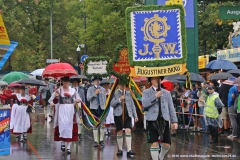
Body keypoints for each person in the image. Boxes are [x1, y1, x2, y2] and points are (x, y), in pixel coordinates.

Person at [142, 77, 178, 160]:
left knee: (167, 144)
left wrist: (174, 121)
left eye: (158, 79)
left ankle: (161, 157)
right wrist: (155, 96)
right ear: (151, 81)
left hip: (164, 120)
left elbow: (171, 107)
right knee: (154, 143)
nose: (156, 80)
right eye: (154, 79)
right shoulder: (146, 92)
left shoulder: (167, 93)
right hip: (152, 120)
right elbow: (145, 103)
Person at [49, 76, 81, 154]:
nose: (66, 83)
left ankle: (69, 147)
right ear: (62, 82)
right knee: (62, 126)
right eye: (64, 81)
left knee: (69, 127)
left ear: (69, 82)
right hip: (62, 110)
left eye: (67, 81)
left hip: (70, 110)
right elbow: (54, 102)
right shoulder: (58, 90)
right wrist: (56, 97)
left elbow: (78, 99)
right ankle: (63, 143)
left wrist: (77, 100)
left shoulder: (73, 90)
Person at [111, 83, 138, 157]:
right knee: (119, 132)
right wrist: (119, 99)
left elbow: (132, 105)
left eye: (124, 85)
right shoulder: (114, 93)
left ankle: (129, 150)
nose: (123, 87)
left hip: (128, 114)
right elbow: (112, 104)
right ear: (118, 85)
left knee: (128, 130)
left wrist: (135, 115)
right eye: (121, 85)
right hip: (118, 115)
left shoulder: (129, 93)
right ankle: (120, 149)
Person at [87, 76, 106, 147]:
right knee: (95, 124)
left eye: (99, 80)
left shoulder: (103, 89)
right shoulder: (90, 89)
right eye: (96, 80)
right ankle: (95, 140)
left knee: (102, 124)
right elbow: (88, 98)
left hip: (102, 108)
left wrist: (104, 108)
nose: (98, 81)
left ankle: (101, 140)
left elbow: (104, 99)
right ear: (93, 81)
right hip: (94, 108)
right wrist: (95, 94)